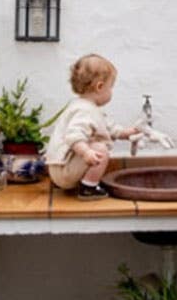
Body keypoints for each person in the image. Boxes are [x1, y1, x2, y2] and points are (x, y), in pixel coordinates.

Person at [44, 54, 146, 200]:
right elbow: (73, 136)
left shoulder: (84, 107)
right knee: (100, 150)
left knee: (96, 146)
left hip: (60, 168)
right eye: (111, 87)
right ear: (100, 87)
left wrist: (126, 133)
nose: (111, 91)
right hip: (63, 170)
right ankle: (88, 188)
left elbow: (108, 128)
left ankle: (83, 183)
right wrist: (86, 152)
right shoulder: (85, 110)